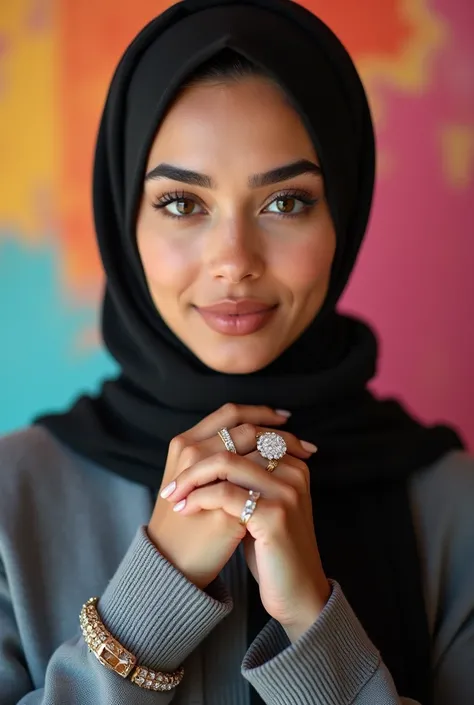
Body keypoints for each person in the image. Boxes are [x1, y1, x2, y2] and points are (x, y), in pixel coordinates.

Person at [0, 0, 472, 703]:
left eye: (286, 201)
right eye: (182, 203)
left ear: (344, 208)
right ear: (124, 215)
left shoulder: (452, 504)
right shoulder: (14, 498)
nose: (234, 262)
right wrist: (145, 611)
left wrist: (314, 622)